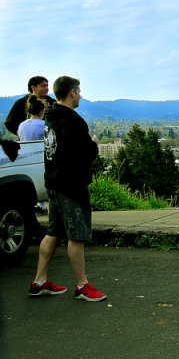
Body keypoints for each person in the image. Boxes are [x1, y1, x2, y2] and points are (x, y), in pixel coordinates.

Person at [28, 76, 106, 302]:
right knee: (77, 236)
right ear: (72, 92)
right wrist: (93, 143)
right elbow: (86, 155)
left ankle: (39, 282)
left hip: (53, 182)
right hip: (71, 186)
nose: (80, 95)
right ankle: (82, 286)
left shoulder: (50, 117)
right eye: (79, 91)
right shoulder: (73, 120)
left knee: (53, 232)